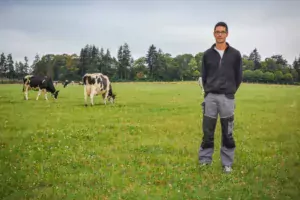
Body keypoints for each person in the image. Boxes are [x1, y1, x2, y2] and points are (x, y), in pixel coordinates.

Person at [198, 22, 243, 173]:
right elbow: (204, 77)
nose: (220, 34)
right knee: (207, 131)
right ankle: (205, 160)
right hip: (210, 97)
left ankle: (227, 164)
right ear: (213, 34)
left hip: (227, 98)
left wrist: (230, 91)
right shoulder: (207, 54)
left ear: (227, 34)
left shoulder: (235, 54)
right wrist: (209, 92)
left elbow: (238, 77)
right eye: (217, 32)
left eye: (222, 32)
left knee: (227, 132)